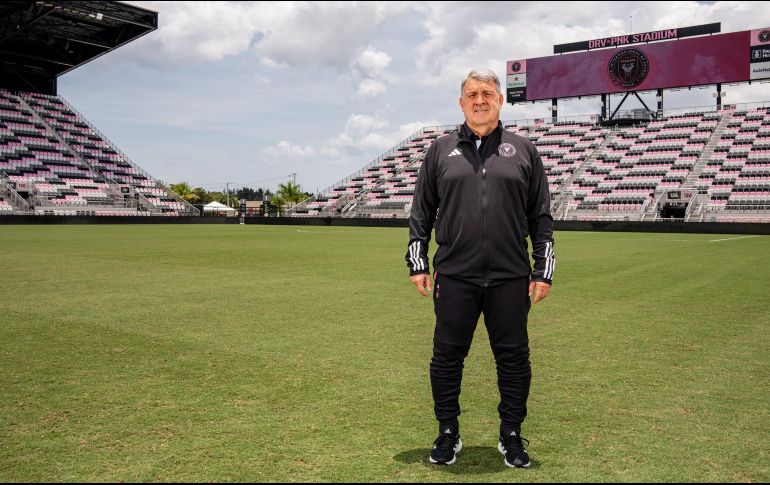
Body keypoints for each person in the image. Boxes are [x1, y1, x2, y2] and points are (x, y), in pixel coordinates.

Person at [405, 68, 555, 468]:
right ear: (461, 102)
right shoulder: (440, 151)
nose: (479, 99)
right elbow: (421, 211)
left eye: (487, 92)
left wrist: (543, 269)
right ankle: (447, 432)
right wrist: (417, 261)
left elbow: (541, 216)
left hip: (510, 277)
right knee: (447, 358)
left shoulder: (523, 150)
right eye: (471, 93)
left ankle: (511, 435)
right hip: (455, 276)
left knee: (513, 359)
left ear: (500, 100)